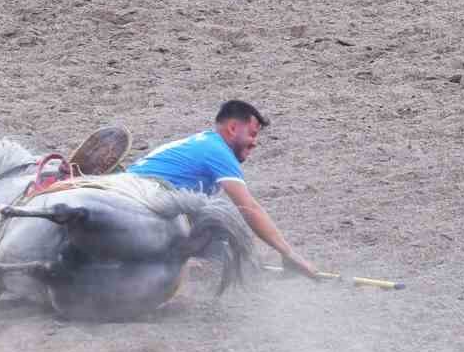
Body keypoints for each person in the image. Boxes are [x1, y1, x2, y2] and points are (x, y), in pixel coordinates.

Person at [127, 100, 320, 278]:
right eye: (252, 134)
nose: (254, 142)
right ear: (233, 128)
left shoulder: (204, 143)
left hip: (132, 195)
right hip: (137, 200)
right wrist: (288, 253)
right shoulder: (217, 150)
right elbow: (249, 208)